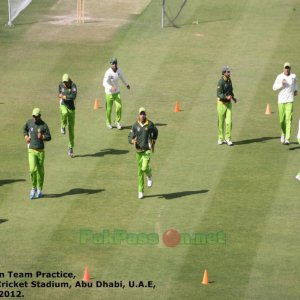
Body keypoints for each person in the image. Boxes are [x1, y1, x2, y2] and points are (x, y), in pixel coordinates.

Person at [128, 107, 158, 199]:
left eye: (144, 114)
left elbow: (156, 131)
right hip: (138, 151)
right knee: (140, 172)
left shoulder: (150, 124)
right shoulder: (135, 125)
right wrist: (132, 141)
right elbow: (129, 136)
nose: (142, 115)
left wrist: (153, 140)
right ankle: (140, 191)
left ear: (146, 114)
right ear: (138, 115)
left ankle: (149, 176)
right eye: (141, 114)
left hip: (147, 150)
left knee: (144, 167)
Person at [23, 108, 51, 199]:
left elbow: (49, 137)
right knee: (32, 170)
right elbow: (24, 130)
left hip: (40, 151)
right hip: (31, 150)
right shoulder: (29, 122)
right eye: (33, 116)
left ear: (39, 116)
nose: (34, 118)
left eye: (36, 116)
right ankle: (33, 187)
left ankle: (39, 189)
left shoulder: (44, 125)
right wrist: (26, 136)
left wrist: (42, 137)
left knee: (40, 171)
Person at [272, 62, 298, 145]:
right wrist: (281, 84)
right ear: (283, 68)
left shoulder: (293, 76)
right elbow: (274, 88)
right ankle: (283, 134)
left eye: (288, 68)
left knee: (288, 119)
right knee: (282, 120)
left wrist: (295, 90)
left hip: (290, 100)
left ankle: (287, 138)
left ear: (290, 69)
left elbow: (295, 84)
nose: (287, 69)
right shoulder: (279, 77)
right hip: (281, 101)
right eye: (285, 68)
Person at [103, 58, 130, 130]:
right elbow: (104, 83)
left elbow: (122, 78)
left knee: (119, 106)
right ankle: (108, 122)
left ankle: (117, 121)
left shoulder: (119, 70)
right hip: (109, 93)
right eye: (111, 64)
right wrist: (110, 87)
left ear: (116, 64)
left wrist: (127, 84)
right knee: (109, 109)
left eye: (113, 63)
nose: (112, 65)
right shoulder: (108, 72)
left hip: (117, 92)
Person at [217, 66, 237, 146]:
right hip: (221, 104)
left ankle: (228, 138)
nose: (229, 73)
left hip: (228, 104)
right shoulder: (220, 82)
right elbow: (218, 94)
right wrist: (226, 97)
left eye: (229, 72)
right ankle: (220, 138)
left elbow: (231, 90)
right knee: (221, 122)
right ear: (224, 73)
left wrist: (233, 98)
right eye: (228, 72)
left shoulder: (229, 80)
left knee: (229, 121)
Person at [58, 73, 77, 157]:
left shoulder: (73, 86)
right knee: (64, 112)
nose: (65, 83)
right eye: (64, 82)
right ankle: (63, 125)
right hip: (63, 104)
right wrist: (60, 96)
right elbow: (59, 93)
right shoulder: (61, 85)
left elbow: (73, 96)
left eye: (66, 82)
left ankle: (70, 148)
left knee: (71, 130)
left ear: (69, 80)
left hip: (71, 109)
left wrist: (64, 96)